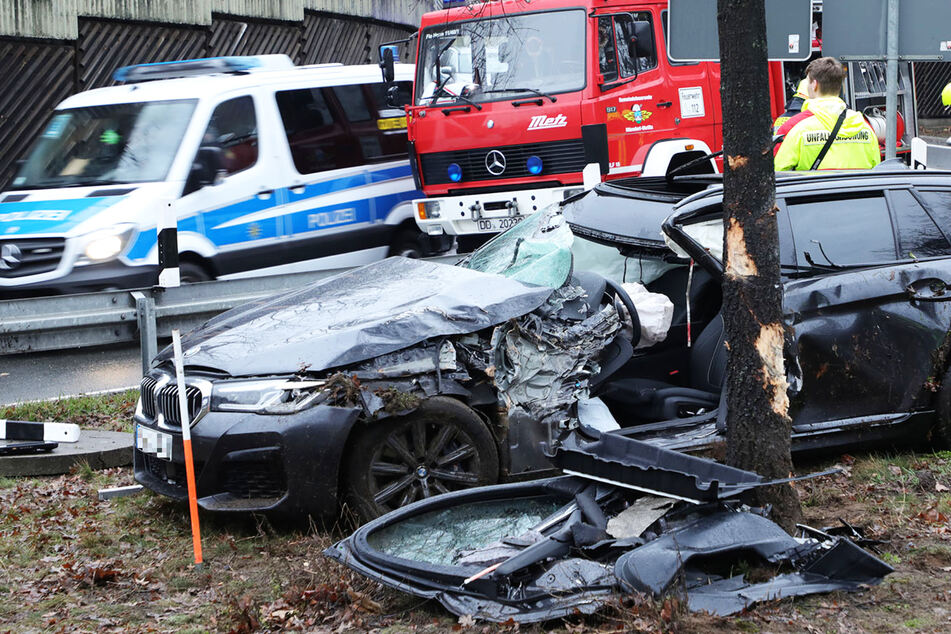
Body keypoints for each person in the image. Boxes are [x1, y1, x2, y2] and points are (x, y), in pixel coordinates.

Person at [774, 57, 880, 171]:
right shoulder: (865, 128)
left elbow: (779, 172)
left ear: (814, 84)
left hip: (814, 188)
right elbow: (876, 167)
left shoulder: (795, 127)